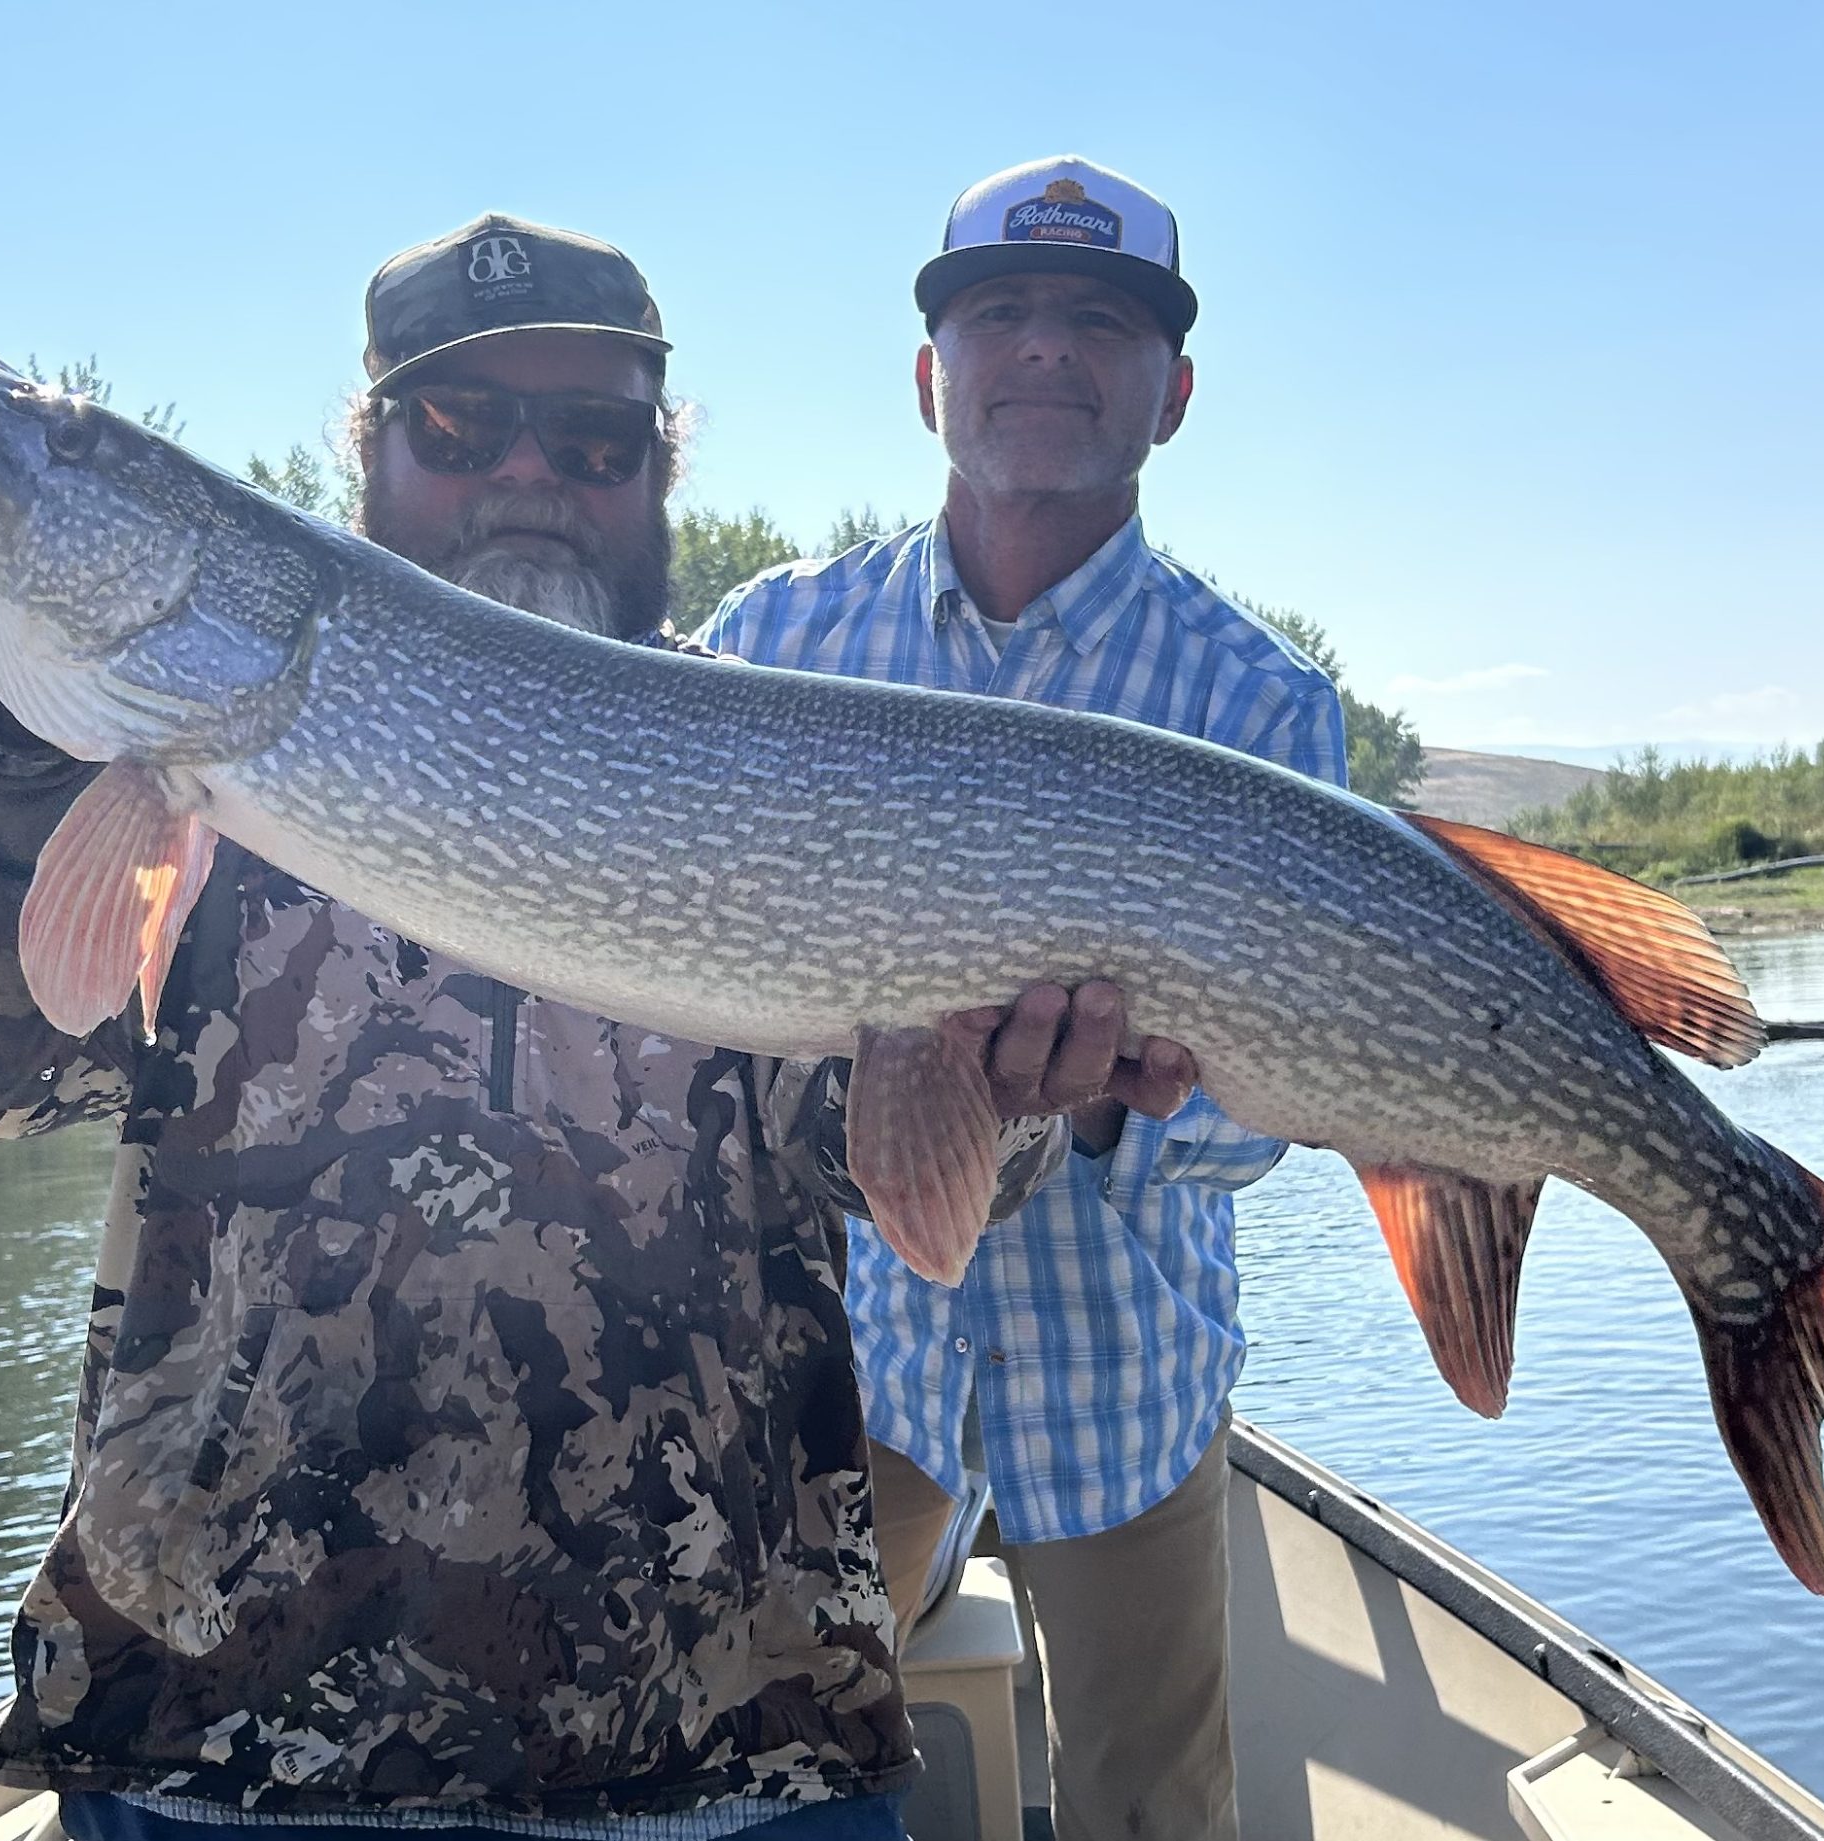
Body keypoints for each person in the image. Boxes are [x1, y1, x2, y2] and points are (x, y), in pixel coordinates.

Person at [0, 212, 1195, 1840]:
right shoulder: (171, 776)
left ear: (659, 467)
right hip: (225, 1752)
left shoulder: (783, 767)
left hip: (725, 1746)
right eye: (459, 423)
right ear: (367, 456)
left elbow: (904, 1166)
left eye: (595, 437)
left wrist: (1024, 1085)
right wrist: (6, 723)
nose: (530, 473)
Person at [700, 158, 1350, 1841]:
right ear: (931, 377)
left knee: (1153, 1814)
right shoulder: (771, 641)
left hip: (1127, 1376)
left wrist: (1109, 1114)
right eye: (1000, 312)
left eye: (1102, 320)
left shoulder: (1264, 704)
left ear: (1173, 394)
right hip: (854, 1368)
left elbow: (1269, 1109)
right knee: (774, 1763)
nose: (1047, 347)